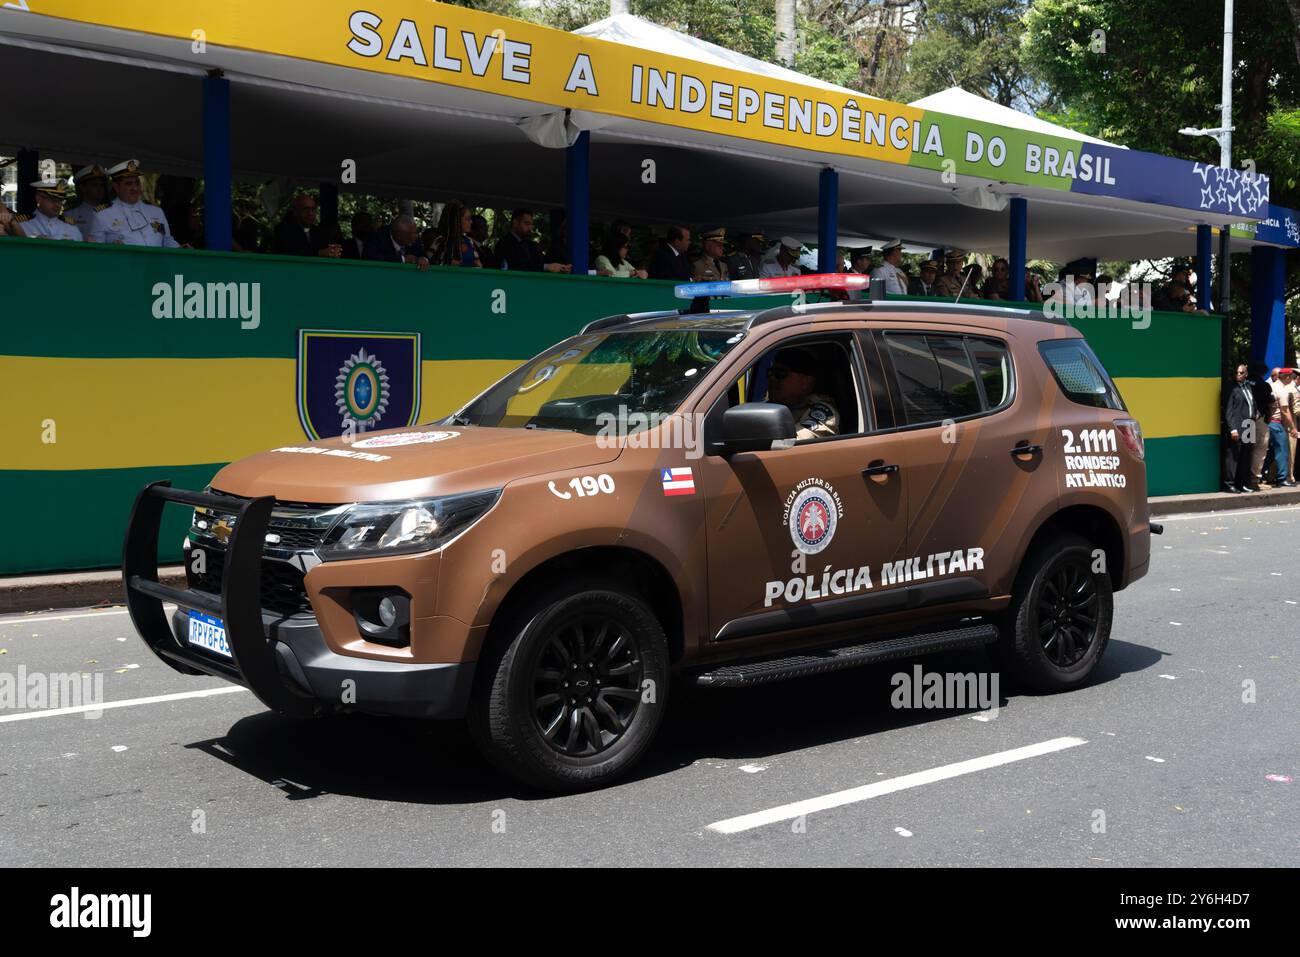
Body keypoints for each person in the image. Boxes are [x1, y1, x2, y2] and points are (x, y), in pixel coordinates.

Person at [85, 159, 184, 247]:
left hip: (156, 266)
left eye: (137, 183)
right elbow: (97, 251)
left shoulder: (156, 211)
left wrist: (181, 250)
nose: (135, 188)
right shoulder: (102, 215)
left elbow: (167, 240)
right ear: (116, 186)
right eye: (128, 184)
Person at [766, 347, 838, 440]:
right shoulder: (768, 407)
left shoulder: (823, 412)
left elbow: (797, 444)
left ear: (805, 382)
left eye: (780, 373)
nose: (772, 378)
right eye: (770, 372)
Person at [495, 209, 569, 273]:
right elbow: (515, 267)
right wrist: (546, 267)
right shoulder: (504, 243)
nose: (530, 228)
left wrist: (561, 268)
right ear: (515, 223)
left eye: (531, 224)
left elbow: (540, 263)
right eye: (527, 224)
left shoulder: (531, 245)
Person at [1224, 363, 1259, 493]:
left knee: (1246, 457)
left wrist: (1255, 412)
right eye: (1237, 373)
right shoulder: (1231, 388)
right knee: (1233, 457)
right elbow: (1228, 410)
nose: (1238, 375)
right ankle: (1229, 484)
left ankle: (1243, 484)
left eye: (1241, 373)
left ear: (1246, 374)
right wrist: (1232, 428)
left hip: (1249, 425)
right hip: (1237, 426)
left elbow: (1251, 403)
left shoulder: (1248, 386)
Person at [271, 192, 340, 258]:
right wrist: (319, 253)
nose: (310, 213)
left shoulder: (318, 232)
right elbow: (291, 253)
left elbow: (325, 250)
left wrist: (333, 253)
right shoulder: (283, 230)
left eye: (313, 209)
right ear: (295, 211)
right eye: (306, 209)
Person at [14, 180, 84, 241]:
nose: (58, 205)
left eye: (60, 201)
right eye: (53, 200)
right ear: (39, 198)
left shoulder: (71, 228)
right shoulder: (21, 225)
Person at [1268, 367, 1297, 487]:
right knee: (1282, 451)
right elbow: (1285, 411)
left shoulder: (1271, 386)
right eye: (1292, 377)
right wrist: (1293, 428)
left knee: (1269, 452)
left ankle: (1264, 476)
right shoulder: (1282, 390)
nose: (1292, 379)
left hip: (1267, 422)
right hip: (1277, 423)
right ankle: (1282, 479)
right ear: (1287, 377)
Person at [364, 214, 428, 269]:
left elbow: (423, 255)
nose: (415, 237)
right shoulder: (377, 238)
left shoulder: (414, 239)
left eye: (415, 233)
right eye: (409, 236)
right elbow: (371, 257)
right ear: (398, 235)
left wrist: (423, 259)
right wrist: (403, 259)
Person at [429, 201, 481, 267]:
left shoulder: (469, 241)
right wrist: (446, 262)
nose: (471, 222)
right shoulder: (440, 240)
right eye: (467, 219)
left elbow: (478, 265)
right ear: (457, 221)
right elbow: (428, 261)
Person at [66, 165, 108, 238]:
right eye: (95, 185)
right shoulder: (70, 215)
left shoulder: (111, 211)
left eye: (101, 185)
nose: (99, 189)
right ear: (83, 188)